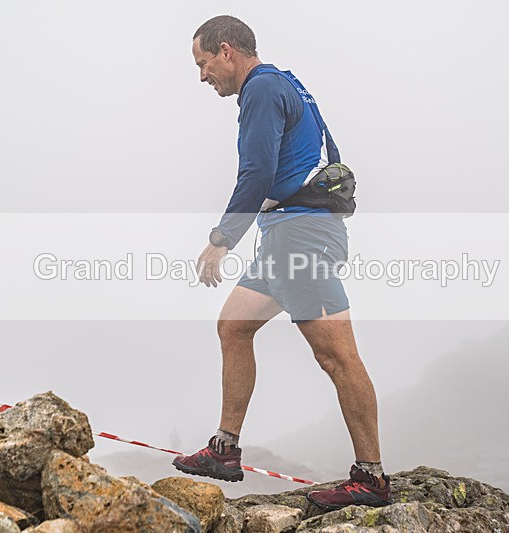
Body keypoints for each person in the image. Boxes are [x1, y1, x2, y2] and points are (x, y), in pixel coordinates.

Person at [173, 15, 392, 510]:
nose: (202, 76)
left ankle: (371, 479)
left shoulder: (263, 89)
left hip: (301, 238)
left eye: (204, 64)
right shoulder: (280, 84)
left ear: (227, 51)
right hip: (286, 235)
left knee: (337, 356)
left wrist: (222, 238)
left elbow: (257, 170)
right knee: (233, 325)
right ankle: (224, 450)